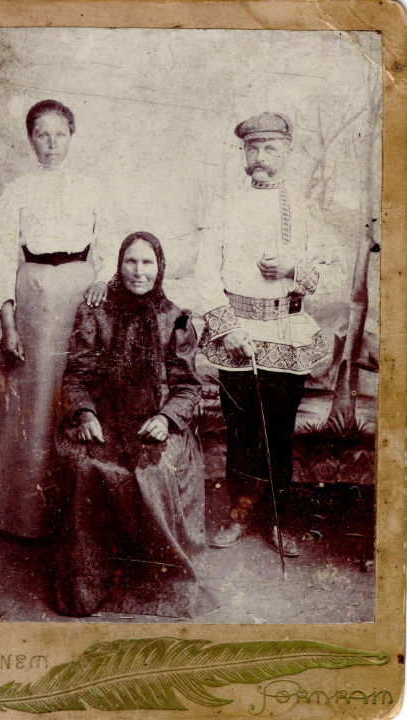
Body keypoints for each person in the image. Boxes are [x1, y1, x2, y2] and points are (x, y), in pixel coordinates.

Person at [195, 112, 346, 556]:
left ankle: (278, 519)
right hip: (237, 334)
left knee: (278, 432)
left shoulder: (304, 208)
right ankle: (239, 514)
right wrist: (228, 329)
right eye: (252, 148)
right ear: (243, 152)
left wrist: (294, 269)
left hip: (286, 333)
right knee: (241, 430)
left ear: (287, 152)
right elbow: (205, 274)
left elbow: (336, 277)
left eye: (270, 148)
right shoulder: (224, 206)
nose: (260, 156)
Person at [0, 100, 116, 538]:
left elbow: (109, 244)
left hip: (80, 294)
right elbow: (3, 257)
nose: (51, 143)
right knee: (32, 399)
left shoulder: (91, 187)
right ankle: (19, 515)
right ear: (31, 140)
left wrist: (102, 279)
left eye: (59, 134)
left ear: (71, 136)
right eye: (42, 134)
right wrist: (8, 324)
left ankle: (74, 520)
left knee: (74, 390)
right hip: (33, 295)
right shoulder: (17, 190)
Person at [53, 232, 208, 618]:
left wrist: (166, 418)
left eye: (147, 262)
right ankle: (90, 584)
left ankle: (153, 577)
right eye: (131, 262)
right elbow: (76, 377)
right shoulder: (95, 314)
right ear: (119, 266)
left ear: (160, 268)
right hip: (104, 418)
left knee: (151, 472)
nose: (139, 271)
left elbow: (189, 387)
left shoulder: (177, 319)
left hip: (157, 422)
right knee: (89, 468)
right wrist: (85, 414)